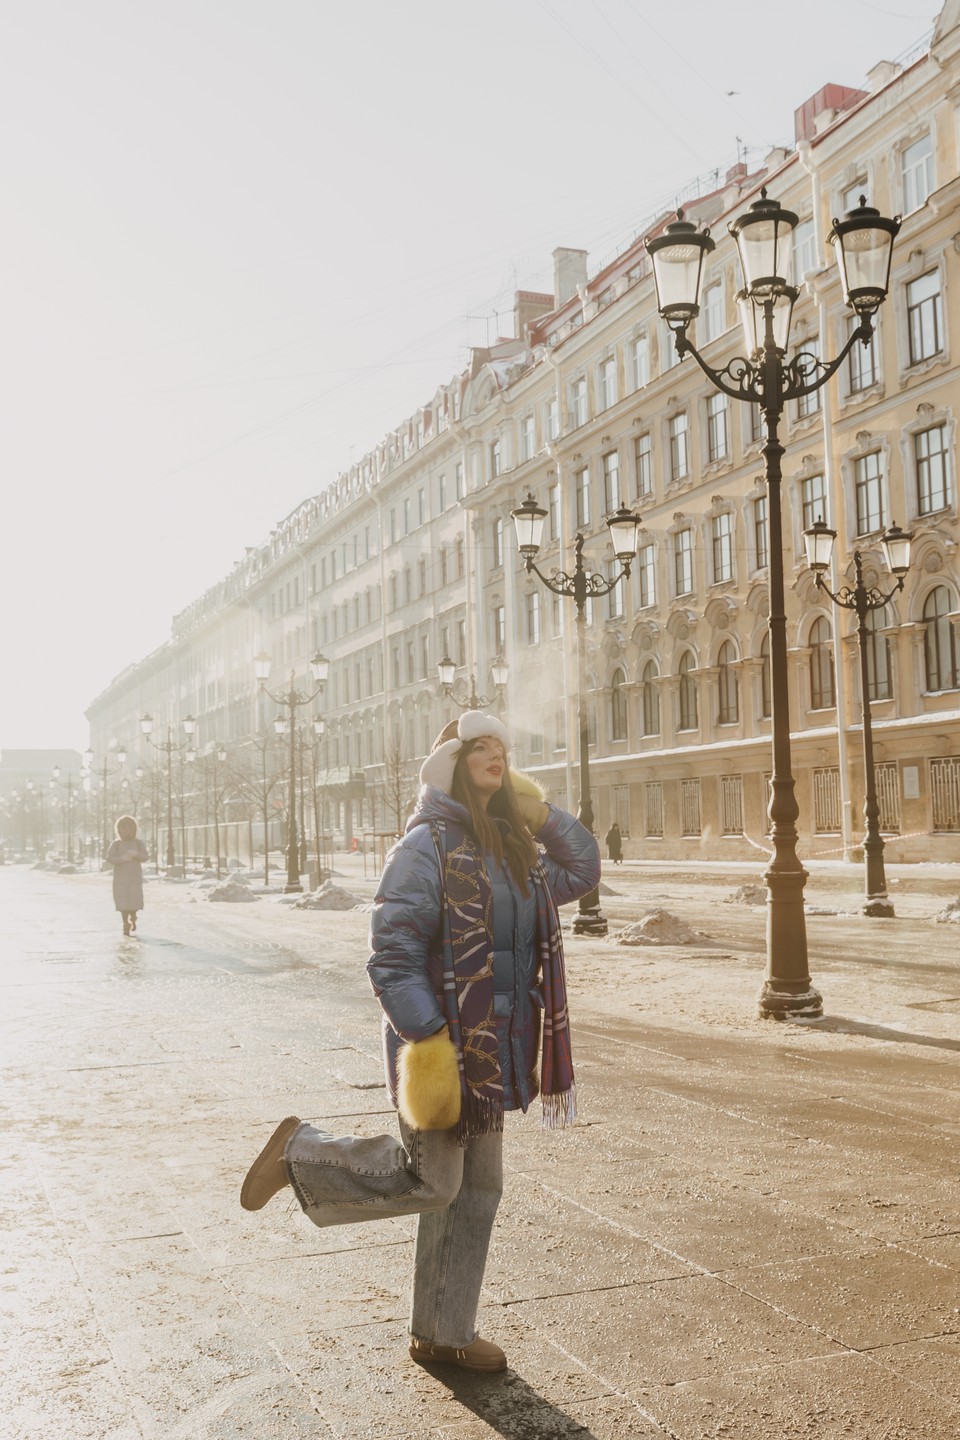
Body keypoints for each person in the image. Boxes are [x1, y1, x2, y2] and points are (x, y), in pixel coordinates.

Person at [240, 710, 600, 1374]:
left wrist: (536, 809)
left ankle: (444, 1332)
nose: (497, 755)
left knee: (477, 1192)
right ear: (452, 763)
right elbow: (393, 957)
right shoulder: (425, 846)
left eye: (503, 748)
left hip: (494, 1055)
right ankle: (299, 1152)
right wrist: (431, 1034)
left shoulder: (512, 848)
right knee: (433, 1182)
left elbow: (582, 866)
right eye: (481, 748)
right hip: (443, 1047)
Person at [105, 815, 148, 935]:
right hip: (120, 879)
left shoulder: (138, 843)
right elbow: (110, 858)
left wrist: (136, 854)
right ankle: (125, 922)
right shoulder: (116, 844)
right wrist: (122, 859)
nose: (127, 831)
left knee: (133, 901)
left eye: (129, 828)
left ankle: (133, 917)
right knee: (123, 901)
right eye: (124, 829)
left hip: (134, 878)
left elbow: (145, 856)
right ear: (119, 830)